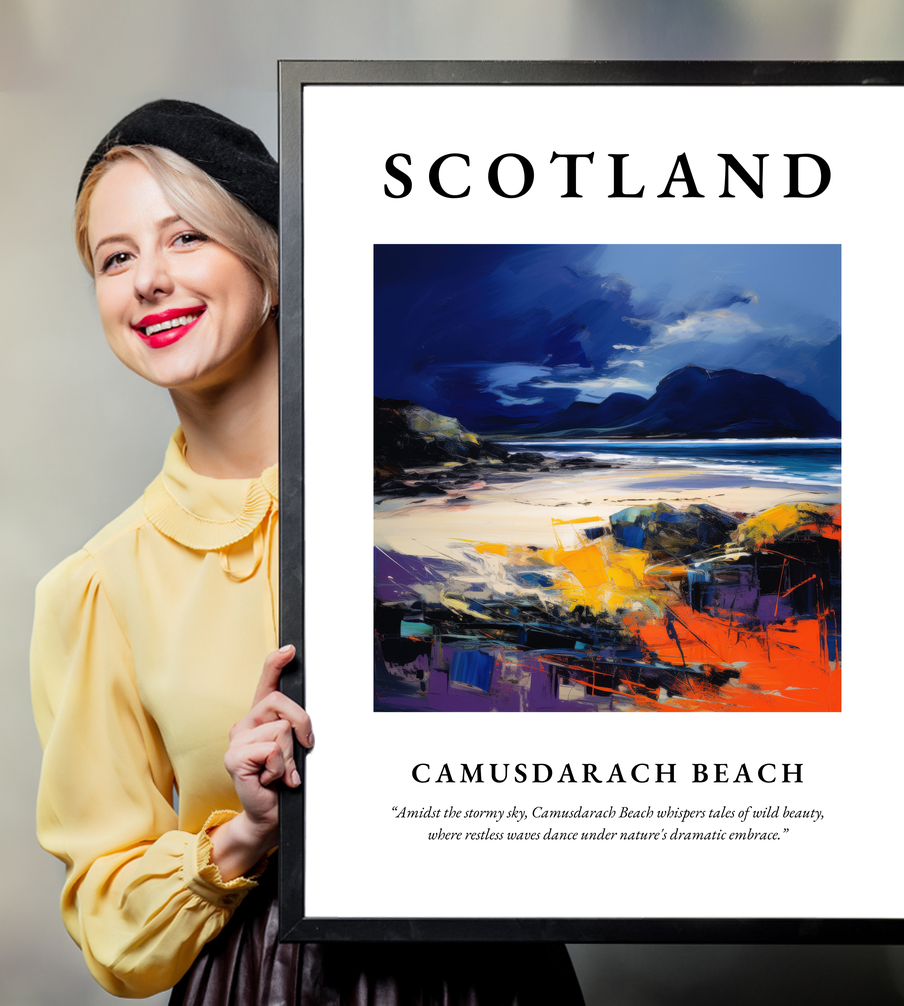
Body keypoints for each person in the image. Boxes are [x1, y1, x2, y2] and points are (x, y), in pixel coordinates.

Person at [30, 100, 585, 1004]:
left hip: (493, 972)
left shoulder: (446, 495)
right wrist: (245, 832)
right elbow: (110, 924)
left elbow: (618, 705)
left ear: (273, 264)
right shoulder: (97, 587)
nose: (148, 281)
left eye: (186, 238)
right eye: (116, 257)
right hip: (264, 981)